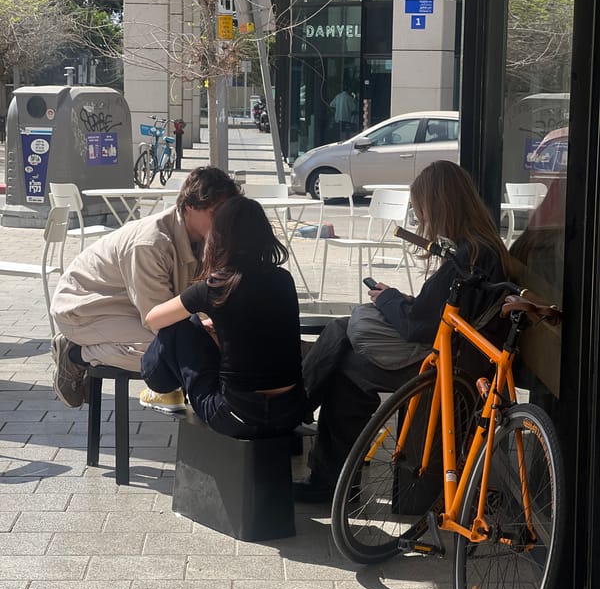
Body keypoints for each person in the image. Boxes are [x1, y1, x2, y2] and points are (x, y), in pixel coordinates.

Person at [294, 160, 511, 502]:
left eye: (422, 209)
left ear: (440, 206)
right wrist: (399, 300)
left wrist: (389, 299)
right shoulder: (482, 247)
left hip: (444, 364)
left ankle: (303, 426)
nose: (421, 218)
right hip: (457, 354)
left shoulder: (466, 258)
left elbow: (418, 326)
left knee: (345, 365)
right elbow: (436, 312)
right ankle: (303, 415)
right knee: (341, 338)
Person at [50, 166, 240, 410]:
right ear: (191, 206)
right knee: (169, 353)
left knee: (193, 345)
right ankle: (75, 354)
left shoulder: (205, 236)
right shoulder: (151, 244)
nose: (223, 222)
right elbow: (157, 318)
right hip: (83, 308)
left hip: (130, 306)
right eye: (216, 213)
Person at [139, 195, 306, 437]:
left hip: (236, 417)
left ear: (218, 238)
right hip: (290, 412)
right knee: (197, 323)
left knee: (179, 326)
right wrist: (219, 325)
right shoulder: (283, 279)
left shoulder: (217, 286)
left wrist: (202, 318)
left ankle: (161, 389)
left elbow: (153, 319)